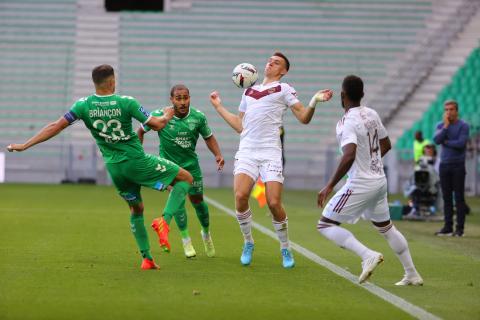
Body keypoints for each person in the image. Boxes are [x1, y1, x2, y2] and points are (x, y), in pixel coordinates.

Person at [6, 64, 193, 270]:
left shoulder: (83, 105)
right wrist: (167, 114)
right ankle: (164, 222)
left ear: (95, 83)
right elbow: (157, 124)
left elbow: (55, 127)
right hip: (135, 161)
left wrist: (25, 145)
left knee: (136, 208)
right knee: (186, 179)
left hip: (114, 169)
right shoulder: (126, 102)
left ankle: (147, 258)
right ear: (112, 82)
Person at [209, 52, 333, 268]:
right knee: (240, 197)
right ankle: (248, 243)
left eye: (276, 63)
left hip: (270, 152)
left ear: (283, 71)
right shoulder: (249, 91)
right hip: (247, 150)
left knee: (274, 202)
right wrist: (219, 106)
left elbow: (304, 118)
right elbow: (240, 125)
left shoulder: (284, 89)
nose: (270, 63)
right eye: (269, 61)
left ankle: (285, 247)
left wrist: (314, 100)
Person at [317, 75, 423, 285]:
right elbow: (387, 144)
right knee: (386, 227)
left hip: (361, 183)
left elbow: (349, 155)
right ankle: (411, 273)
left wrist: (329, 185)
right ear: (363, 94)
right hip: (379, 179)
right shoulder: (371, 114)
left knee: (325, 225)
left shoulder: (346, 122)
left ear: (342, 95)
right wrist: (371, 162)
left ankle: (368, 255)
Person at [138, 84, 224, 258]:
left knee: (198, 202)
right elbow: (140, 130)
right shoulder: (160, 116)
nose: (183, 102)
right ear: (172, 100)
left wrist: (218, 154)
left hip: (191, 167)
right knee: (177, 200)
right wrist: (139, 155)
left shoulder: (198, 117)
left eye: (186, 97)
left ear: (189, 98)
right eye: (179, 98)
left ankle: (206, 234)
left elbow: (209, 137)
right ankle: (186, 241)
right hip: (169, 168)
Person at [433, 100, 470, 237]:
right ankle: (448, 227)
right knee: (446, 198)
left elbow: (461, 144)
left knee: (459, 198)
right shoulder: (441, 125)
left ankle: (459, 229)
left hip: (458, 166)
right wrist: (446, 127)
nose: (448, 112)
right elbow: (436, 140)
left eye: (451, 109)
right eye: (446, 109)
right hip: (444, 165)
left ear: (456, 111)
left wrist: (446, 141)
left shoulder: (463, 126)